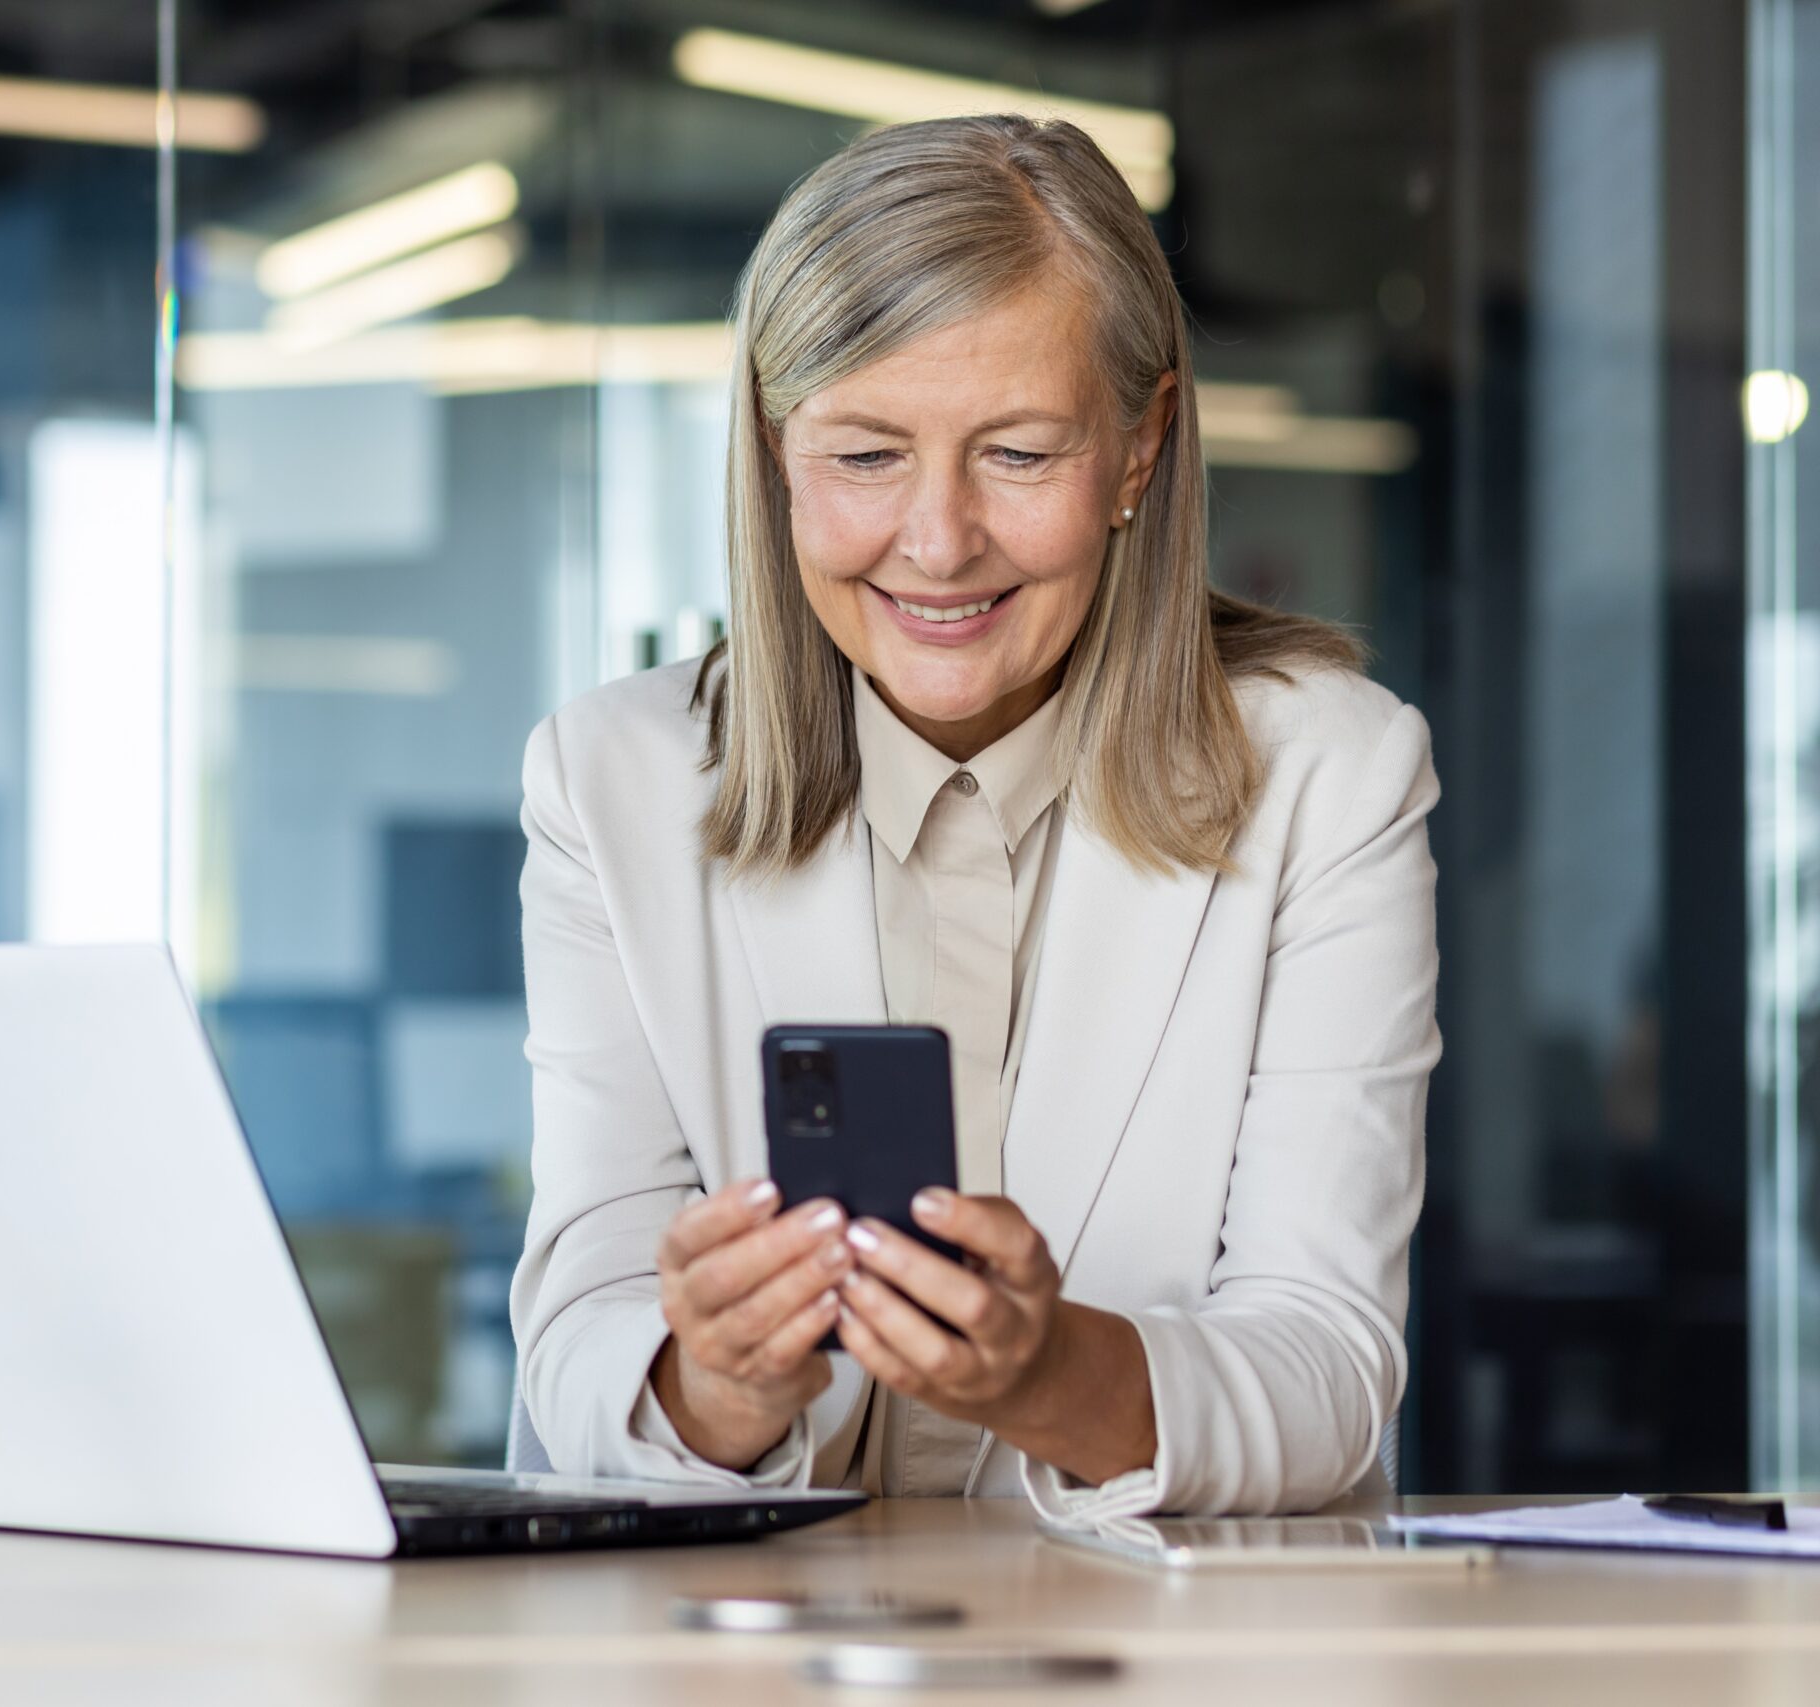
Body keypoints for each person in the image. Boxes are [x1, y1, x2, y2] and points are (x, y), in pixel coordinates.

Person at [508, 114, 1437, 1518]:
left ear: (1138, 449)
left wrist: (1045, 1373)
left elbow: (1325, 1365)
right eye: (866, 456)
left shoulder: (1331, 776)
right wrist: (717, 1386)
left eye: (1016, 453)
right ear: (773, 454)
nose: (938, 543)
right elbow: (580, 1334)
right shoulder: (611, 782)